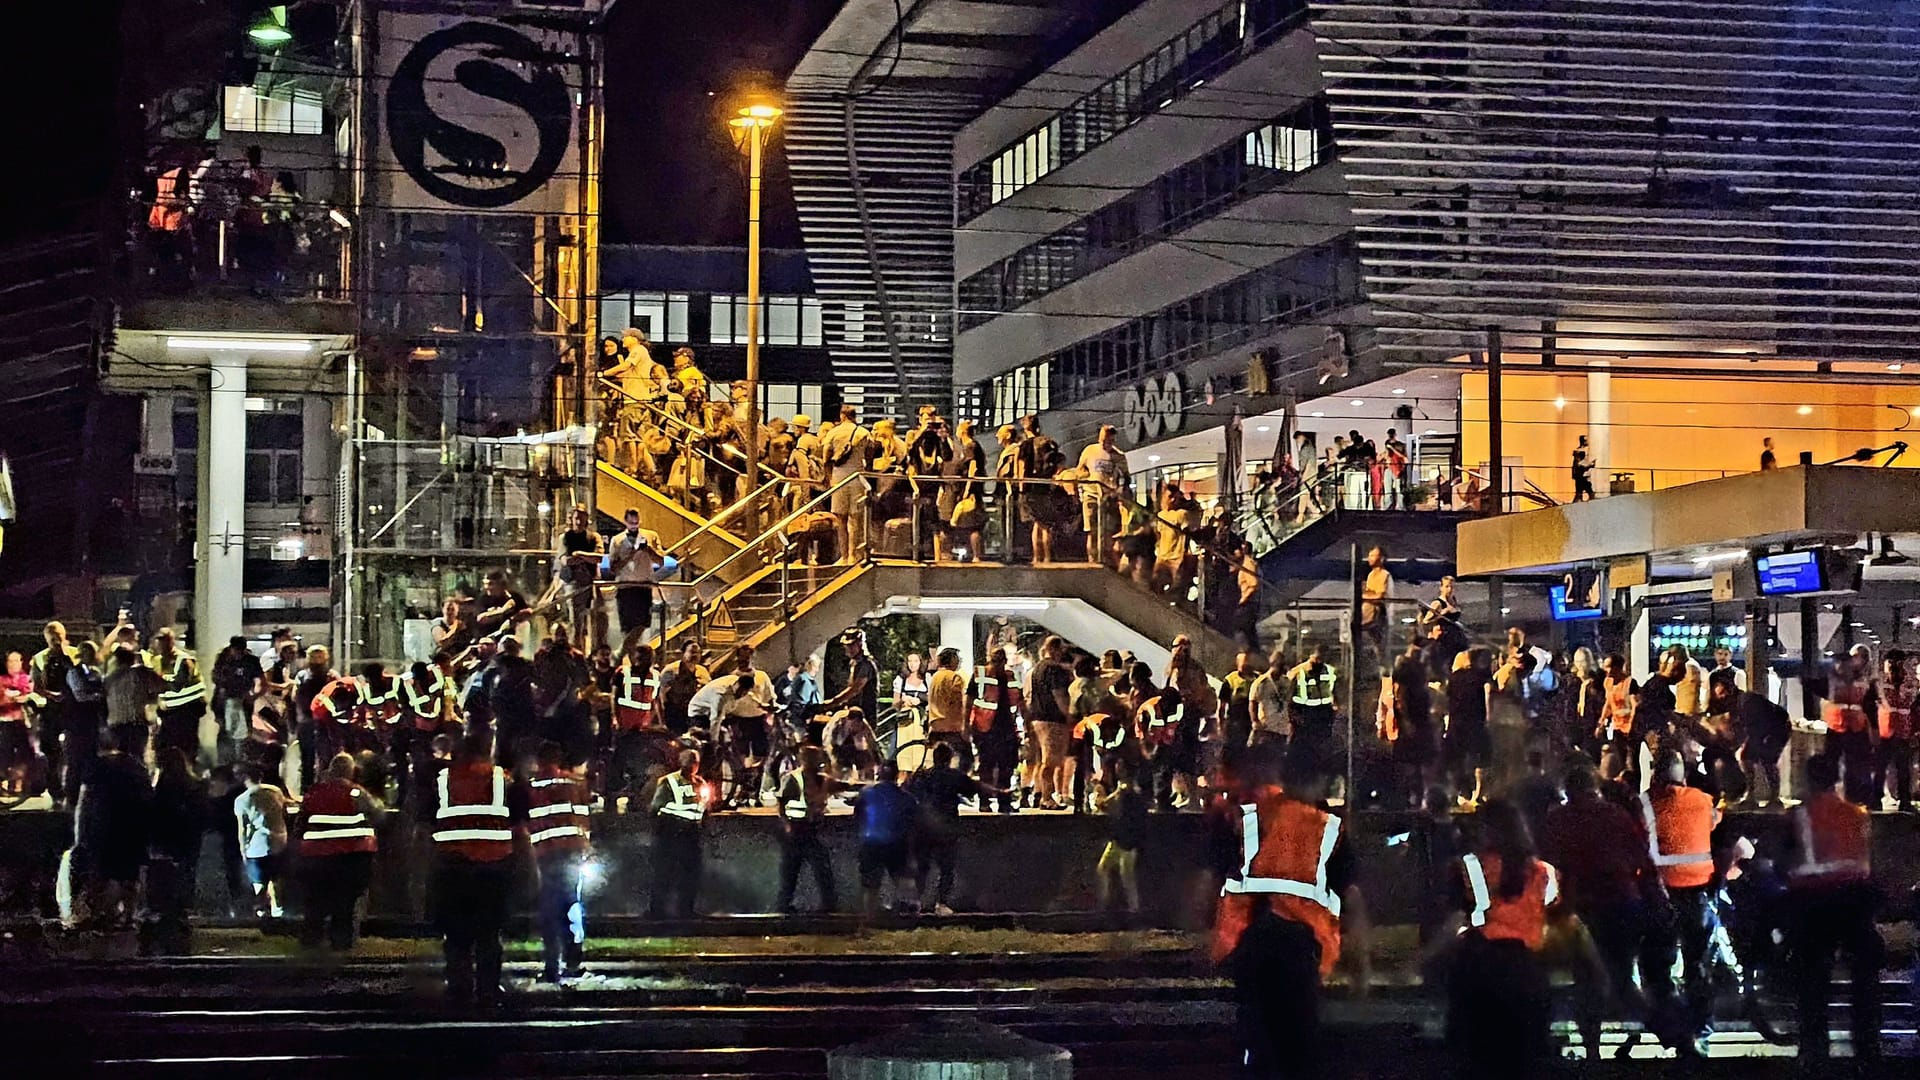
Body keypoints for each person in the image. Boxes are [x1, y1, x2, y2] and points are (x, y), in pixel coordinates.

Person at [1212, 747, 1368, 1079]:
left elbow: (1215, 880)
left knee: (1258, 1046)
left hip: (1251, 945)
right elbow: (1352, 899)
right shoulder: (1329, 830)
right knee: (1299, 1051)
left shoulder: (1251, 819)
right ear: (1322, 782)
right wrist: (1360, 966)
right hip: (1301, 951)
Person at [1436, 799, 1566, 1077]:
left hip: (1480, 970)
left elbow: (1457, 919)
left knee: (1476, 1059)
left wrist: (1429, 956)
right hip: (1528, 974)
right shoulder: (1545, 873)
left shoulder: (1469, 867)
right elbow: (1557, 916)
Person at [1543, 763, 1656, 1062]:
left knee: (1588, 981)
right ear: (1595, 788)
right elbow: (1641, 858)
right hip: (1623, 903)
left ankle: (1593, 1050)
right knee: (1622, 976)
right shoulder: (1617, 816)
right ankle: (1671, 1035)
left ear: (1568, 791)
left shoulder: (1559, 819)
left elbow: (1551, 863)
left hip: (1584, 909)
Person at [1783, 752, 1881, 1064]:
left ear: (1808, 780)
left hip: (1814, 902)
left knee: (1812, 982)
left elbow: (1785, 861)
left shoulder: (1798, 816)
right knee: (1864, 980)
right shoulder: (1858, 815)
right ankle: (1868, 1050)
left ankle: (1814, 1052)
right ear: (1836, 778)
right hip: (1856, 900)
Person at [1638, 749, 1721, 1056]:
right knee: (1698, 966)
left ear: (1656, 776)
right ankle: (1702, 1030)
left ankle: (1677, 1031)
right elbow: (1714, 821)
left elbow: (1639, 842)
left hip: (1661, 896)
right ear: (1683, 775)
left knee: (1659, 968)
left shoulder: (1645, 802)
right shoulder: (1702, 800)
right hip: (1698, 893)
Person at [432, 732, 519, 1006]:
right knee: (489, 934)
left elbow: (424, 825)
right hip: (493, 867)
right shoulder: (502, 780)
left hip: (453, 866)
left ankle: (458, 987)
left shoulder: (444, 781)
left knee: (456, 934)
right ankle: (488, 989)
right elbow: (518, 826)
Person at [298, 752, 384, 951]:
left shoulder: (314, 792)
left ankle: (311, 941)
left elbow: (301, 823)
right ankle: (341, 942)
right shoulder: (356, 793)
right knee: (345, 902)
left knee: (315, 902)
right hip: (351, 856)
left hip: (316, 857)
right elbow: (378, 815)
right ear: (351, 771)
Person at [71, 725, 153, 930]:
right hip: (132, 825)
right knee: (129, 872)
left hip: (103, 825)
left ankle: (102, 912)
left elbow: (84, 801)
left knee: (102, 871)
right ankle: (129, 914)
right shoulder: (136, 766)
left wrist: (79, 832)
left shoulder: (95, 767)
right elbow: (148, 798)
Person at [527, 741, 592, 981]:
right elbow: (585, 818)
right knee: (573, 908)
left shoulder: (532, 785)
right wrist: (586, 846)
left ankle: (551, 966)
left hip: (545, 854)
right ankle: (574, 962)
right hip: (573, 854)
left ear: (538, 760)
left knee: (549, 913)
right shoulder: (575, 783)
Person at [906, 743, 995, 914]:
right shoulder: (954, 776)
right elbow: (976, 788)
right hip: (946, 827)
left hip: (924, 827)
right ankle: (941, 903)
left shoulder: (923, 776)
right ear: (949, 759)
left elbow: (908, 791)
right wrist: (999, 792)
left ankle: (917, 901)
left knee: (922, 867)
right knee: (946, 867)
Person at [776, 745, 845, 913]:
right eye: (813, 758)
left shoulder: (823, 780)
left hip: (813, 830)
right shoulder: (793, 779)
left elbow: (843, 786)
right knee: (790, 873)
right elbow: (781, 805)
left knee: (822, 870)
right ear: (803, 760)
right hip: (797, 829)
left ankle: (828, 907)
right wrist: (786, 825)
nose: (816, 762)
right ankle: (783, 908)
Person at [852, 762, 919, 915]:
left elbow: (857, 814)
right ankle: (909, 916)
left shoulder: (866, 792)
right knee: (903, 881)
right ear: (897, 776)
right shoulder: (907, 797)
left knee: (870, 885)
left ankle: (869, 919)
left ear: (878, 774)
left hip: (871, 842)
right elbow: (913, 821)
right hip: (896, 844)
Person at [650, 749, 708, 919]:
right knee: (665, 873)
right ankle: (657, 912)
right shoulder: (669, 782)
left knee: (690, 874)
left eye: (694, 762)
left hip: (691, 834)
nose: (692, 765)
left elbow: (703, 809)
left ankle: (686, 911)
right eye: (690, 762)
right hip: (671, 833)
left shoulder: (699, 783)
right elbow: (655, 808)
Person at [968, 650, 1024, 814]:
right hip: (986, 727)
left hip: (1006, 727)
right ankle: (986, 802)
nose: (998, 663)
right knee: (988, 766)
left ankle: (1003, 802)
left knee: (1006, 766)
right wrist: (966, 724)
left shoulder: (1010, 676)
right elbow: (969, 700)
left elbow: (1020, 700)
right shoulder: (980, 674)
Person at [28, 622, 78, 805]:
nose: (55, 638)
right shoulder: (40, 658)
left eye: (58, 634)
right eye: (51, 635)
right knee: (51, 752)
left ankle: (74, 787)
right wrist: (51, 695)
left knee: (75, 749)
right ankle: (55, 790)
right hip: (52, 709)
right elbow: (36, 685)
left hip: (74, 708)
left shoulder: (74, 653)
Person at [1025, 635, 1074, 810]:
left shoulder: (1037, 668)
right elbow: (1059, 695)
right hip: (1052, 719)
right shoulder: (1054, 670)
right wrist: (1069, 715)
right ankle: (1047, 798)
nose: (1062, 653)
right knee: (1051, 760)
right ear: (1052, 649)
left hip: (1038, 718)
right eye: (1060, 649)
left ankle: (1041, 795)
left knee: (1042, 760)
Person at [1824, 644, 1877, 805]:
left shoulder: (1867, 680)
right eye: (1857, 656)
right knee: (1832, 761)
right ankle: (1830, 796)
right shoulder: (1836, 675)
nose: (1859, 660)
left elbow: (1869, 705)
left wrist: (1873, 729)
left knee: (1857, 764)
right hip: (1836, 725)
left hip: (1857, 727)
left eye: (1863, 657)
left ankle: (1856, 798)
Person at [1095, 760, 1149, 914]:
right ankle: (1118, 905)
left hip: (1125, 839)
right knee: (1114, 871)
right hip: (1122, 838)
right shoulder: (1129, 789)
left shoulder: (1125, 790)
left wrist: (1103, 802)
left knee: (1123, 874)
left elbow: (1107, 804)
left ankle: (1129, 908)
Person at [146, 628, 207, 762]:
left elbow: (177, 685)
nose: (161, 645)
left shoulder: (184, 660)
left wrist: (158, 680)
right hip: (169, 712)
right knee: (164, 745)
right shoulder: (156, 661)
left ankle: (188, 769)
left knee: (185, 746)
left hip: (187, 710)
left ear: (171, 642)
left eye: (164, 641)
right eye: (159, 641)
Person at [606, 509, 665, 647]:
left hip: (644, 587)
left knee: (642, 625)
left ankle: (634, 655)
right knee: (627, 627)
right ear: (625, 521)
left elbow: (661, 561)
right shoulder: (617, 540)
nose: (634, 525)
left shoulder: (650, 536)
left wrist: (648, 550)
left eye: (636, 522)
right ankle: (625, 656)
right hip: (625, 588)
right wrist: (630, 554)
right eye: (631, 522)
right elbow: (613, 568)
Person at [553, 504, 605, 651]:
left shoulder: (593, 537)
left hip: (591, 582)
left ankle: (591, 651)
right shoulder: (565, 537)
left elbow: (599, 557)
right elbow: (565, 560)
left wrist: (579, 555)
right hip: (572, 583)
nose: (579, 522)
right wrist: (586, 558)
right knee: (575, 622)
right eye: (576, 518)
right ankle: (576, 651)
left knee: (596, 620)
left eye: (582, 518)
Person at [1446, 647, 1494, 804]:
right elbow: (1488, 695)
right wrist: (1489, 717)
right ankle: (1479, 793)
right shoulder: (1481, 676)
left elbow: (1449, 700)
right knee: (1482, 758)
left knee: (1457, 760)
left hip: (1456, 722)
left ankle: (1460, 792)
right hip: (1476, 721)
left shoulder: (1453, 678)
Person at [1076, 424, 1128, 565]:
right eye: (1102, 440)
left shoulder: (1118, 456)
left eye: (1108, 441)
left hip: (1108, 498)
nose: (1105, 444)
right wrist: (1087, 479)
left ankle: (1105, 560)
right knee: (1092, 531)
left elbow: (1125, 478)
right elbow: (1079, 470)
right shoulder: (1090, 451)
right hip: (1091, 495)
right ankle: (1092, 560)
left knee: (1107, 532)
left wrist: (1118, 490)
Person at [210, 635, 262, 766]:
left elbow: (261, 682)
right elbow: (217, 680)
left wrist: (252, 695)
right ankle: (224, 766)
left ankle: (240, 765)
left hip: (243, 703)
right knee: (225, 735)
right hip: (224, 702)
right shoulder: (224, 660)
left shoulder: (250, 661)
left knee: (242, 737)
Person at [1875, 648, 1914, 812]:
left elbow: (1908, 700)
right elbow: (1883, 698)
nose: (1893, 665)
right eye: (1890, 662)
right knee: (1880, 767)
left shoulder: (1909, 680)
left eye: (1897, 662)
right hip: (1884, 730)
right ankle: (1875, 799)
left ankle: (1905, 801)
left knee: (1903, 769)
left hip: (1903, 731)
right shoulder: (1881, 680)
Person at [822, 628, 879, 734]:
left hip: (864, 715)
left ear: (860, 645)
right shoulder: (854, 663)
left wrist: (833, 702)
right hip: (853, 713)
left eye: (852, 645)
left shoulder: (865, 664)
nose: (848, 649)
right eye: (847, 646)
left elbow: (855, 689)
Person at [1286, 644, 1337, 748]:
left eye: (1322, 658)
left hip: (1324, 713)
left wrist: (1334, 708)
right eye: (1317, 658)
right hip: (1304, 713)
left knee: (1323, 744)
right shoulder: (1297, 672)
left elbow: (1334, 691)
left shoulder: (1330, 670)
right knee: (1303, 745)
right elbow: (1288, 696)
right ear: (1311, 656)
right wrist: (1294, 716)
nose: (1319, 661)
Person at [1248, 648, 1291, 752]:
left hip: (1282, 728)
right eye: (1281, 666)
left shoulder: (1286, 682)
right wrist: (1255, 721)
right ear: (1274, 665)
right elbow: (1252, 702)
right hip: (1266, 727)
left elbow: (1290, 702)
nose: (1283, 669)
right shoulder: (1261, 682)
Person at [1571, 433, 1596, 501]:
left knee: (1582, 492)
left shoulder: (1587, 450)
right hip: (1581, 475)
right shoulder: (1579, 451)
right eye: (1586, 440)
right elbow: (1578, 464)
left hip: (1583, 475)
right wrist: (1589, 465)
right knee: (1584, 492)